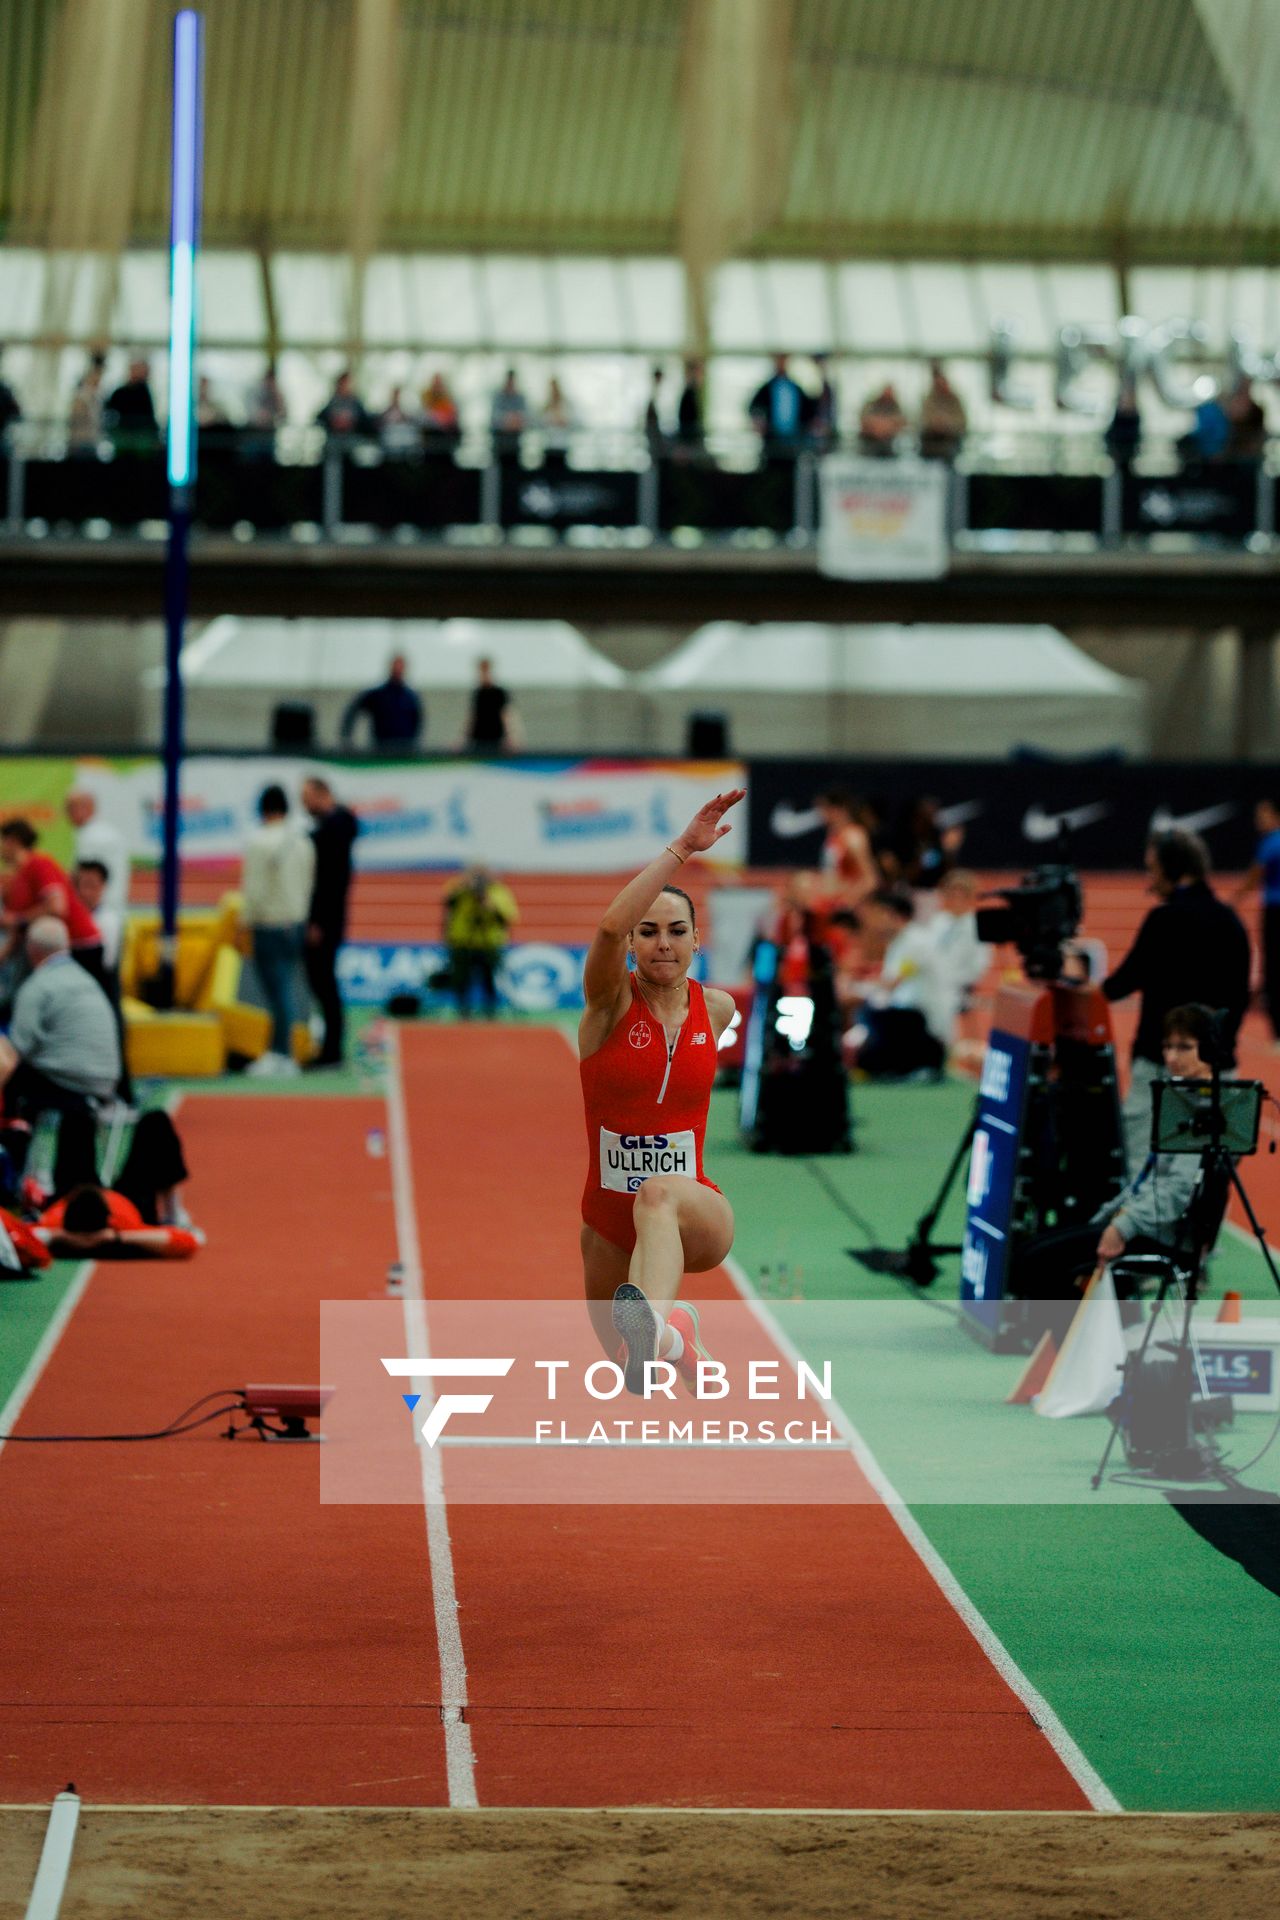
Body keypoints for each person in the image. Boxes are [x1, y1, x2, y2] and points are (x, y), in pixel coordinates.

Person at [578, 789, 744, 1394]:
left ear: (697, 941)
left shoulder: (717, 1010)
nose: (663, 943)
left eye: (677, 931)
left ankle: (659, 1325)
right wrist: (682, 850)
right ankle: (672, 1337)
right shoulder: (607, 1007)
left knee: (657, 1194)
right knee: (631, 1369)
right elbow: (605, 926)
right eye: (647, 932)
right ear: (631, 945)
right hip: (607, 1222)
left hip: (692, 1211)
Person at [1014, 1005, 1225, 1328]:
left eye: (1184, 1047)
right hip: (1145, 1223)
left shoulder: (1207, 1112)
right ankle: (1096, 1342)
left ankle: (1074, 1353)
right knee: (1032, 1249)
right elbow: (1147, 1180)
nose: (1172, 1057)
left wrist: (1122, 1226)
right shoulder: (1179, 1098)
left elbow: (1178, 1192)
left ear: (1209, 1050)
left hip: (1168, 1236)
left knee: (1037, 1262)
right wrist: (1109, 1214)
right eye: (1168, 1047)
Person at [1103, 830, 1251, 1174]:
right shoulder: (1231, 922)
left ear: (1175, 869)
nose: (1150, 881)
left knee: (1143, 1174)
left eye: (1153, 869)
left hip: (1161, 1067)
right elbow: (1240, 999)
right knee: (1209, 1178)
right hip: (1217, 1071)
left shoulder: (1164, 919)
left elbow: (1121, 984)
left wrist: (1078, 982)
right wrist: (1217, 1055)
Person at [0, 918, 121, 1131]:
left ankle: (14, 1150)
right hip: (107, 1079)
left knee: (8, 1071)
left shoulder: (37, 986)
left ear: (32, 950)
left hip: (67, 1080)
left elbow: (17, 1049)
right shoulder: (86, 980)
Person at [240, 786, 315, 1077]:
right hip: (295, 922)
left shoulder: (260, 842)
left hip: (269, 923)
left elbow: (254, 890)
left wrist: (244, 922)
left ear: (263, 810)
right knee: (287, 987)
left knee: (277, 991)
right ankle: (281, 1050)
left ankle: (282, 1053)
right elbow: (308, 883)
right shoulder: (302, 842)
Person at [842, 889, 949, 1079]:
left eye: (877, 913)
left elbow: (892, 983)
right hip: (905, 1016)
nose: (871, 921)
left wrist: (853, 989)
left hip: (923, 1020)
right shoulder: (897, 943)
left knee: (868, 1014)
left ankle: (919, 1061)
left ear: (892, 915)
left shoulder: (916, 941)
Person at [301, 775, 359, 1067]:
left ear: (322, 794)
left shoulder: (333, 830)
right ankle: (329, 1046)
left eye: (307, 796)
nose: (303, 803)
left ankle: (332, 1049)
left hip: (326, 921)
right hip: (328, 919)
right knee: (322, 983)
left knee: (324, 983)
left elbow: (328, 884)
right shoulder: (335, 827)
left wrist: (317, 923)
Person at [1, 819, 102, 972]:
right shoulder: (19, 877)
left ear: (12, 841)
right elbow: (18, 929)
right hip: (52, 951)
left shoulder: (40, 864)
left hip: (79, 947)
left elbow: (57, 908)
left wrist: (17, 920)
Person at [441, 867, 519, 1018]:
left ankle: (490, 1011)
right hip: (463, 942)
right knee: (461, 979)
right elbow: (448, 902)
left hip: (489, 943)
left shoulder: (499, 892)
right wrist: (463, 886)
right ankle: (463, 1012)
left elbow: (509, 917)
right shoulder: (461, 890)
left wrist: (491, 906)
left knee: (489, 979)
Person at [1235, 798, 1280, 1045]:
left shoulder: (1271, 843)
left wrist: (1233, 903)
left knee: (1273, 969)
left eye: (1263, 815)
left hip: (1275, 911)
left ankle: (1278, 1032)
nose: (1257, 820)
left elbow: (1254, 876)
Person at [65, 789, 128, 918]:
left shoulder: (92, 837)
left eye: (70, 808)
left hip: (98, 910)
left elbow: (84, 877)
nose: (67, 814)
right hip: (112, 907)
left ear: (86, 807)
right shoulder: (104, 832)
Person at [340, 654, 423, 750]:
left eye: (401, 666)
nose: (398, 669)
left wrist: (414, 743)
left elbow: (418, 721)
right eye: (396, 665)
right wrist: (346, 736)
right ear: (390, 667)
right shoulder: (377, 695)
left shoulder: (411, 697)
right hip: (380, 749)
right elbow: (353, 709)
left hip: (405, 750)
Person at [460, 656, 519, 754]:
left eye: (485, 671)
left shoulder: (499, 692)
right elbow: (472, 717)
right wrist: (462, 738)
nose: (483, 674)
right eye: (481, 671)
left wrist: (511, 737)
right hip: (478, 738)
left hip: (495, 737)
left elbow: (505, 716)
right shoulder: (478, 693)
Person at [749, 354, 806, 450]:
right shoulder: (767, 388)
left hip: (793, 437)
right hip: (772, 436)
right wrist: (759, 421)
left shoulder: (795, 388)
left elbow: (808, 409)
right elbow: (753, 407)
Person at [104, 357, 159, 450]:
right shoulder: (120, 392)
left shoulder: (144, 391)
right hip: (124, 437)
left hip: (142, 437)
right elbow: (109, 410)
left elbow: (149, 414)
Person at [919, 361, 966, 461]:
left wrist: (947, 424)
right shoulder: (928, 400)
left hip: (951, 443)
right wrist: (934, 423)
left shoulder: (954, 400)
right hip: (931, 443)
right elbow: (922, 420)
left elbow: (962, 422)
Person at [316, 369, 373, 438]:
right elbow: (320, 419)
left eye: (348, 384)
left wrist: (352, 422)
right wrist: (332, 421)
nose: (346, 387)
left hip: (353, 437)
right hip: (334, 437)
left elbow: (366, 421)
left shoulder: (356, 403)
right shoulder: (332, 402)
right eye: (343, 384)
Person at [858, 383, 907, 457]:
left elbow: (901, 422)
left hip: (889, 440)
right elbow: (864, 420)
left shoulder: (896, 406)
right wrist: (877, 428)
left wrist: (886, 428)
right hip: (870, 439)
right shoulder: (871, 404)